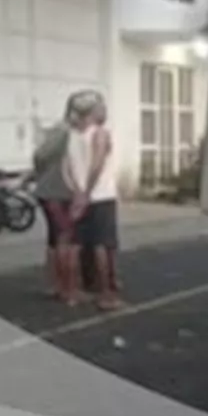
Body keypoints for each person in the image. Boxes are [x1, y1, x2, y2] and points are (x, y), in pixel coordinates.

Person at [63, 92, 124, 311]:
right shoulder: (99, 134)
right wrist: (86, 193)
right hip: (101, 196)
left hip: (80, 194)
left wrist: (76, 192)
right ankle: (106, 294)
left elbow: (67, 168)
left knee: (75, 244)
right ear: (92, 112)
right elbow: (97, 164)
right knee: (102, 246)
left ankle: (71, 292)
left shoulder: (72, 135)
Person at [31, 97, 77, 302]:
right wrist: (42, 175)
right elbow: (40, 155)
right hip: (56, 191)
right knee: (63, 237)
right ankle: (63, 288)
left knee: (55, 238)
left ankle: (55, 284)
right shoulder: (64, 131)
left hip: (56, 190)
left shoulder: (67, 131)